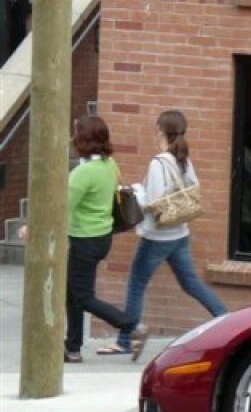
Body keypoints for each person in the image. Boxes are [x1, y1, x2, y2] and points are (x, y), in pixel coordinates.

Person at [105, 109, 227, 356]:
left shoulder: (159, 162)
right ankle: (226, 319)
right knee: (191, 283)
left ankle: (125, 340)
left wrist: (136, 192)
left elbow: (155, 200)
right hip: (179, 233)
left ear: (160, 129)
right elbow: (190, 188)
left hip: (157, 237)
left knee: (136, 283)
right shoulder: (183, 158)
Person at [62, 113, 149, 362]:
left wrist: (33, 229)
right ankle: (73, 347)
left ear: (83, 139)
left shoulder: (83, 173)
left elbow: (63, 208)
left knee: (83, 296)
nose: (72, 138)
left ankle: (132, 326)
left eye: (75, 133)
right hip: (102, 238)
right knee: (73, 293)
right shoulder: (109, 165)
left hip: (84, 240)